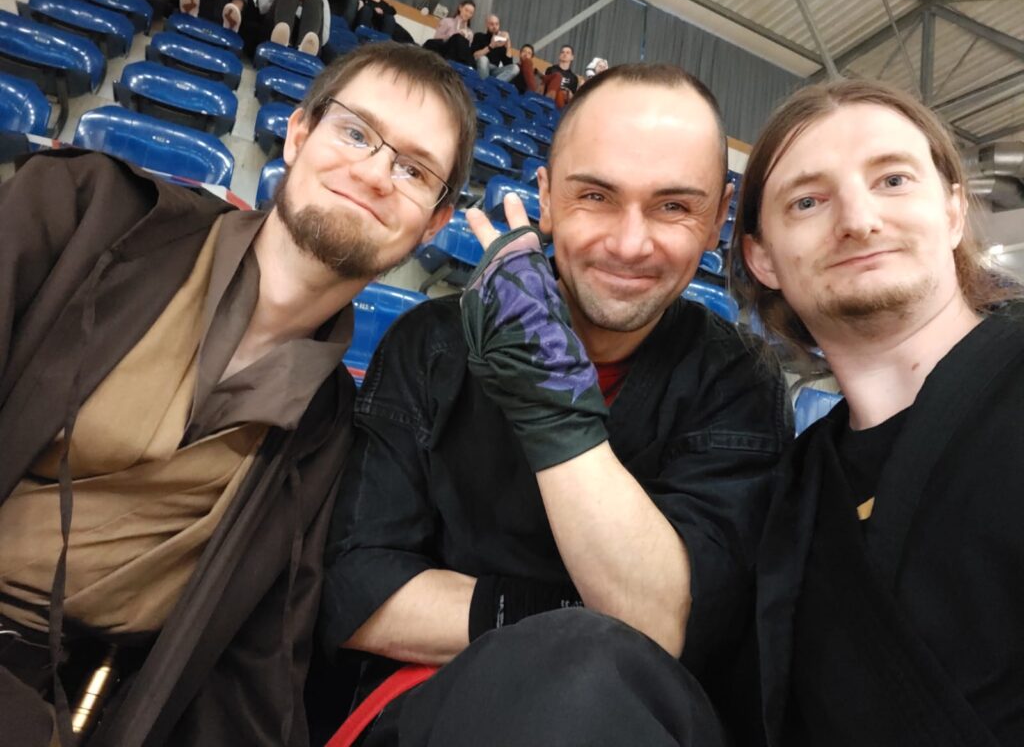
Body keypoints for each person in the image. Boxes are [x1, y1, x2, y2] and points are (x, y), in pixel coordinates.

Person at [0, 42, 475, 747]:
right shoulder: (84, 213)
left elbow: (257, 681)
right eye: (356, 133)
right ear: (299, 132)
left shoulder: (329, 440)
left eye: (413, 170)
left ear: (434, 223)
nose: (375, 173)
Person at [321, 64, 791, 746]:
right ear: (544, 196)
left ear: (719, 217)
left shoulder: (740, 380)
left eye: (672, 206)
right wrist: (570, 615)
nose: (629, 244)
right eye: (595, 196)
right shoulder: (431, 343)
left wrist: (549, 389)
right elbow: (359, 589)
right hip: (425, 705)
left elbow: (669, 624)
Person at [731, 79, 1024, 746]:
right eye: (808, 201)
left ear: (953, 211)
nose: (858, 220)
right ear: (762, 257)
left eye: (892, 180)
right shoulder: (789, 498)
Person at [257, 0, 331, 55]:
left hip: (305, 30)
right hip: (275, 25)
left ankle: (307, 46)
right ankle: (280, 37)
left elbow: (324, 37)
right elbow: (263, 8)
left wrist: (305, 4)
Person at [423, 0, 475, 66]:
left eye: (471, 13)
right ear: (460, 8)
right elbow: (436, 38)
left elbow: (467, 51)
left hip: (459, 57)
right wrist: (455, 34)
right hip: (445, 51)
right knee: (458, 38)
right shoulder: (447, 21)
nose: (467, 14)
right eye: (466, 10)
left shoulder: (470, 33)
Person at [470, 13, 519, 83]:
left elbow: (508, 64)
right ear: (487, 25)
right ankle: (485, 85)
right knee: (483, 59)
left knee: (515, 68)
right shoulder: (479, 36)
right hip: (481, 66)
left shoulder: (501, 44)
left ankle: (492, 84)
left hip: (494, 70)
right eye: (492, 24)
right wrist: (491, 46)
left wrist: (508, 43)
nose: (494, 26)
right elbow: (474, 55)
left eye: (497, 24)